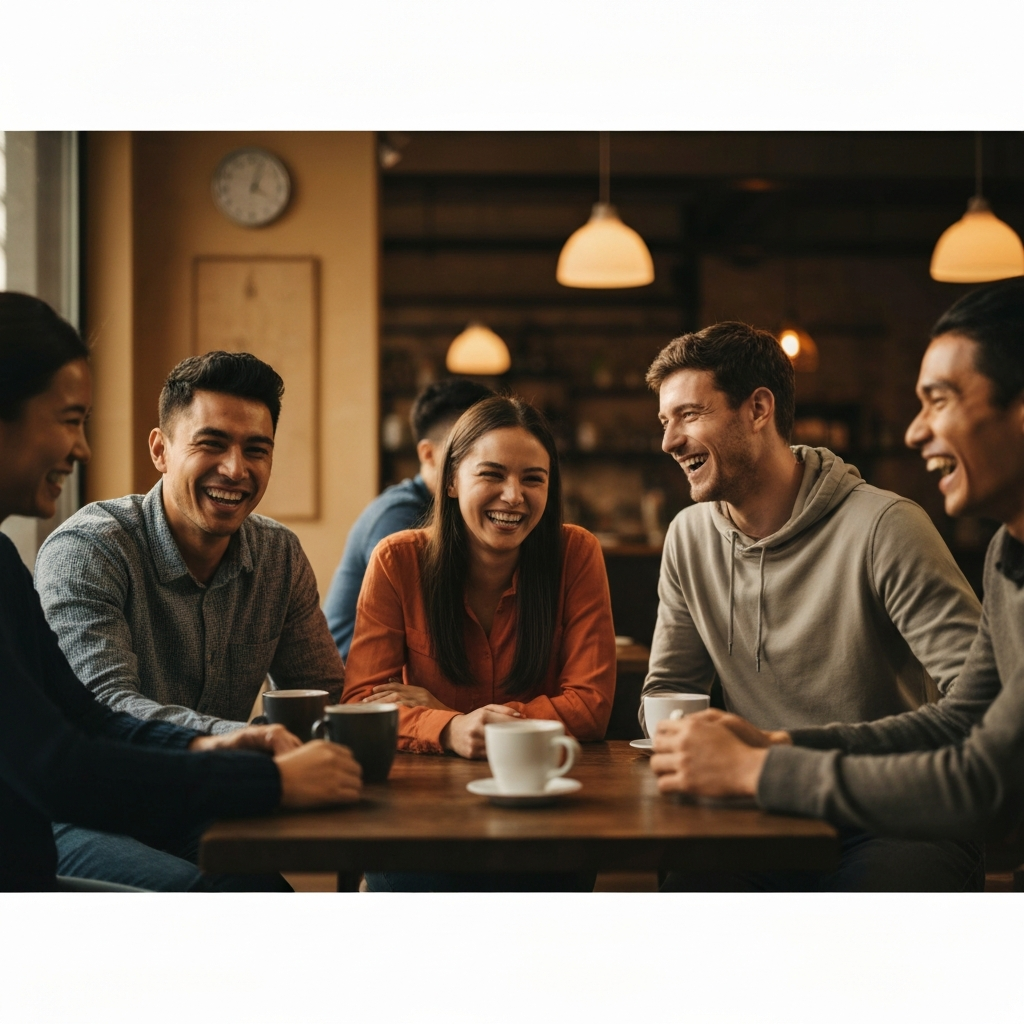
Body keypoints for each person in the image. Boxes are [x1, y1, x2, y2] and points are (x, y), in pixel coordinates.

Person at [0, 292, 362, 892]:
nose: (235, 469)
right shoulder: (87, 548)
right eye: (70, 420)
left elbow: (86, 722)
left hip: (139, 804)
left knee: (263, 898)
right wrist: (259, 776)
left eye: (256, 450)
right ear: (160, 450)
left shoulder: (4, 562)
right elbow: (66, 761)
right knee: (219, 903)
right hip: (70, 827)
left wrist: (222, 742)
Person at [640, 320, 984, 891]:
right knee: (686, 890)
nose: (668, 441)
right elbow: (668, 690)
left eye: (689, 415)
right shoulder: (687, 536)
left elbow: (980, 705)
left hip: (892, 813)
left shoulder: (884, 527)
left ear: (758, 409)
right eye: (664, 420)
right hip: (762, 802)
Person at [342, 395, 616, 890]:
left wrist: (448, 713)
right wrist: (449, 728)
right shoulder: (397, 561)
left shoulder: (576, 554)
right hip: (422, 816)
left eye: (533, 478)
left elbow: (591, 706)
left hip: (541, 809)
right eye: (492, 474)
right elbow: (362, 701)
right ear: (450, 481)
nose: (514, 496)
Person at [324, 378, 493, 660]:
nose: (482, 460)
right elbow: (431, 631)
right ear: (428, 454)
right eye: (466, 448)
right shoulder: (400, 516)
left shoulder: (456, 511)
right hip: (355, 688)